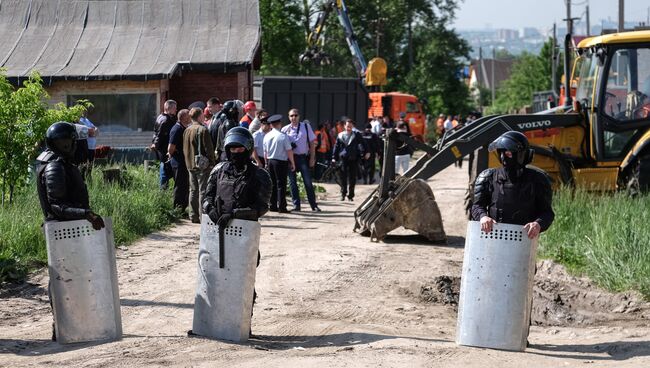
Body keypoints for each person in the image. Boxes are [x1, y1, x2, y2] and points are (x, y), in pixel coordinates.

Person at [35, 121, 105, 341]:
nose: (73, 144)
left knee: (72, 278)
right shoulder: (55, 165)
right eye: (69, 140)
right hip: (62, 231)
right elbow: (57, 206)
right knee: (63, 280)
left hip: (68, 230)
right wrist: (85, 214)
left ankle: (74, 324)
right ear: (61, 143)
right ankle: (64, 326)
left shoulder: (60, 161)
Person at [203, 127, 272, 336]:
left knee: (243, 282)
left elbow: (263, 206)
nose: (235, 151)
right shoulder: (218, 171)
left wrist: (235, 214)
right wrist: (211, 210)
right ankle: (214, 324)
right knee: (214, 279)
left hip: (244, 236)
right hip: (217, 235)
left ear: (248, 148)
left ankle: (242, 324)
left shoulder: (260, 175)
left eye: (240, 148)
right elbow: (206, 197)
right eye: (232, 148)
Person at [471, 131, 554, 239]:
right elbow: (477, 206)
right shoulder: (488, 177)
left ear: (521, 154)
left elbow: (547, 213)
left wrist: (538, 224)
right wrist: (483, 217)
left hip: (524, 240)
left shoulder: (538, 180)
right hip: (493, 237)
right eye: (501, 153)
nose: (504, 157)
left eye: (508, 153)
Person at [282, 109, 321, 212]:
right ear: (288, 117)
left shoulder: (306, 127)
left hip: (302, 158)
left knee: (308, 182)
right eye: (291, 116)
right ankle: (296, 205)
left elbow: (312, 144)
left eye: (295, 115)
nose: (293, 118)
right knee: (292, 183)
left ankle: (313, 205)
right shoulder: (285, 129)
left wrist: (312, 158)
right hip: (291, 159)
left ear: (299, 116)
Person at [183, 107, 216, 223]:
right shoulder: (203, 130)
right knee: (202, 191)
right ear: (199, 116)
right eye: (202, 114)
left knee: (193, 190)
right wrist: (212, 162)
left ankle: (193, 215)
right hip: (202, 165)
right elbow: (209, 149)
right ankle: (203, 216)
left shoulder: (187, 130)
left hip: (190, 164)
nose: (204, 116)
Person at [264, 115, 295, 213]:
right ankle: (282, 206)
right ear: (279, 124)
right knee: (281, 184)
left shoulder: (267, 135)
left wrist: (266, 162)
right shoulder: (283, 136)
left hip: (270, 161)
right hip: (281, 161)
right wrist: (293, 163)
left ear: (271, 125)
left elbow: (265, 152)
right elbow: (289, 150)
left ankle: (272, 205)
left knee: (272, 184)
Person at [332, 119, 368, 201]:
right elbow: (336, 147)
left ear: (352, 127)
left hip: (353, 159)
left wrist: (367, 152)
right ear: (344, 126)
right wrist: (334, 158)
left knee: (352, 178)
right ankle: (343, 193)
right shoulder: (340, 135)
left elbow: (363, 143)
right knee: (343, 177)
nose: (349, 128)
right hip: (343, 159)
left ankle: (351, 195)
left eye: (350, 126)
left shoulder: (356, 135)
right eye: (348, 126)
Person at [168, 109, 192, 214]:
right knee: (179, 185)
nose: (190, 117)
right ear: (184, 117)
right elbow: (170, 147)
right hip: (178, 162)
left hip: (183, 162)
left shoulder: (183, 128)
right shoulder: (177, 129)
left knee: (184, 185)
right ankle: (177, 209)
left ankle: (182, 208)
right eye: (189, 115)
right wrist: (172, 154)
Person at [152, 100, 178, 189]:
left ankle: (164, 191)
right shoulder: (166, 120)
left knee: (165, 171)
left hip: (161, 150)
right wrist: (156, 145)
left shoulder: (160, 117)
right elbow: (159, 135)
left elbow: (155, 133)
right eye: (174, 108)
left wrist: (155, 145)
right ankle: (163, 193)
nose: (176, 110)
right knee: (165, 173)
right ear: (168, 108)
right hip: (165, 150)